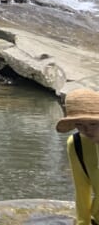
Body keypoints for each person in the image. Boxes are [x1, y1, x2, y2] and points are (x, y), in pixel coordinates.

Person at [57, 88, 99, 225]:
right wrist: (83, 223)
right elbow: (82, 190)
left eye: (93, 123)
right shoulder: (77, 144)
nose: (87, 130)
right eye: (79, 124)